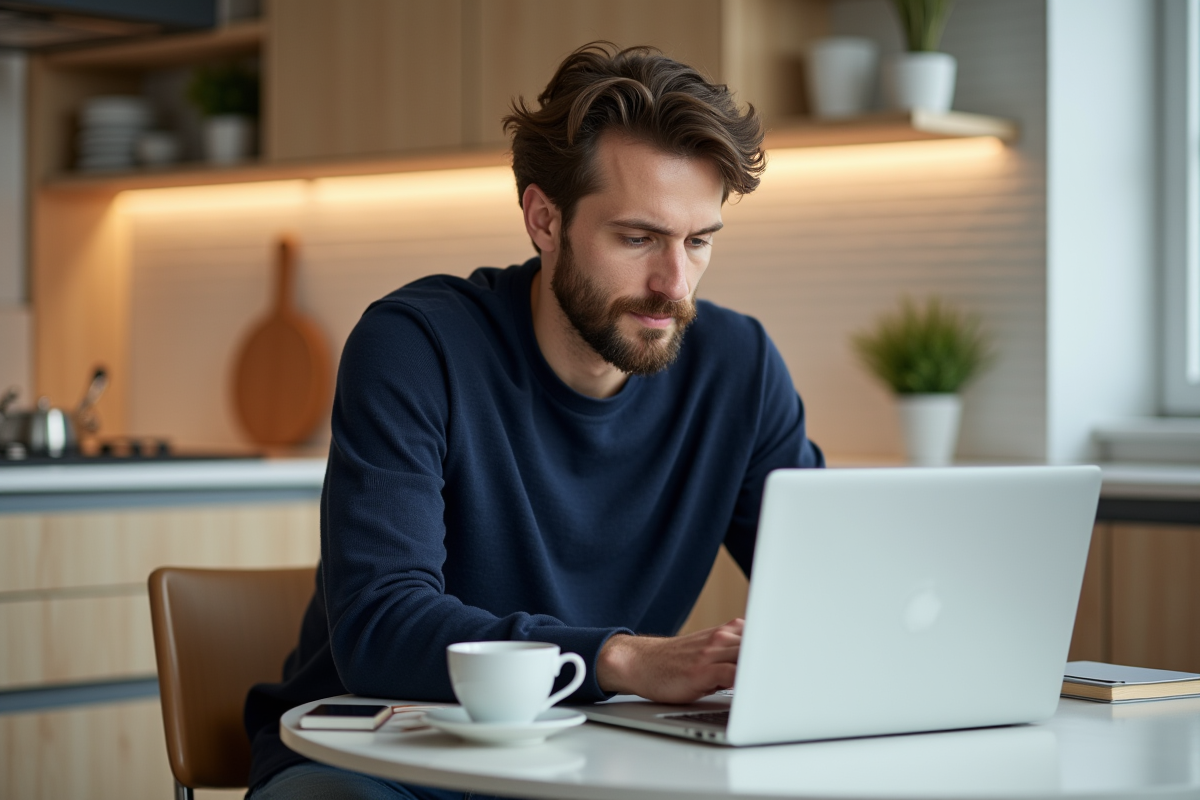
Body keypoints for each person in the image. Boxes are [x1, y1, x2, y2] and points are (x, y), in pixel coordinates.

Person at [244, 42, 824, 799]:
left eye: (699, 242)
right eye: (638, 238)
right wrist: (618, 658)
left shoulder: (737, 368)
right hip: (378, 765)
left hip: (587, 765)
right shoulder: (415, 347)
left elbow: (821, 592)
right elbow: (381, 628)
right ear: (544, 219)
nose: (672, 285)